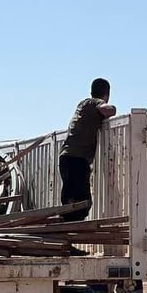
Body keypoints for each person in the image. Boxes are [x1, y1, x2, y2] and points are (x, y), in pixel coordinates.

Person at [58, 78, 117, 222]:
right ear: (106, 95)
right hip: (78, 159)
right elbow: (107, 110)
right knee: (83, 202)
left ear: (91, 92)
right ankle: (73, 224)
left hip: (65, 156)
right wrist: (113, 108)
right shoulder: (96, 102)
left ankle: (67, 223)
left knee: (70, 198)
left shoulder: (83, 104)